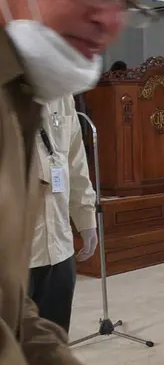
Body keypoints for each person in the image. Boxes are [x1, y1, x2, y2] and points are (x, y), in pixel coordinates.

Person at [0, 0, 156, 363]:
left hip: (56, 242)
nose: (110, 21)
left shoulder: (28, 88)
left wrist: (83, 216)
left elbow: (11, 313)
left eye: (128, 2)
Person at [29, 96, 98, 333]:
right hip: (11, 257)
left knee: (53, 344)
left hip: (59, 249)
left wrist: (86, 218)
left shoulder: (61, 93)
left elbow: (75, 160)